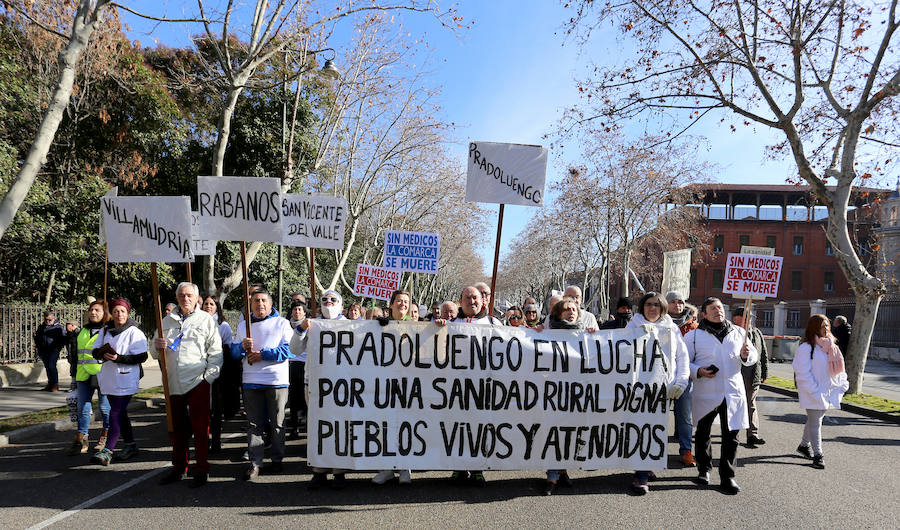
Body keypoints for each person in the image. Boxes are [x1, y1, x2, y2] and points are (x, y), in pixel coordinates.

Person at [685, 297, 757, 495]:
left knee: (731, 434)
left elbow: (751, 358)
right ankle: (704, 469)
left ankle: (728, 476)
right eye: (713, 308)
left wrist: (746, 355)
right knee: (703, 432)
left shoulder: (739, 332)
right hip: (707, 390)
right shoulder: (694, 337)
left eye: (720, 307)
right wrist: (698, 370)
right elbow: (683, 362)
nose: (719, 311)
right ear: (704, 314)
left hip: (732, 390)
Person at [154, 283, 223, 487]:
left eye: (189, 295)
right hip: (173, 382)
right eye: (182, 295)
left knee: (200, 428)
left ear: (196, 298)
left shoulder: (206, 320)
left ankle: (201, 469)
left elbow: (216, 352)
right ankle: (179, 467)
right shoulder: (165, 320)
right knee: (176, 428)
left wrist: (209, 377)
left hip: (197, 380)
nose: (185, 299)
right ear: (177, 298)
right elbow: (153, 349)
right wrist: (156, 346)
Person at [626, 292, 690, 494]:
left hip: (664, 388)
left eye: (656, 304)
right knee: (642, 428)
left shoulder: (672, 329)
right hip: (639, 389)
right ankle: (641, 474)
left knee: (657, 430)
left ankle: (648, 463)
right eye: (648, 304)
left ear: (662, 308)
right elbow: (617, 351)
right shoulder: (632, 326)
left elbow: (682, 357)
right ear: (642, 307)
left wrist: (681, 381)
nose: (652, 308)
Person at [231, 289, 293, 482]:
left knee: (277, 423)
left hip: (276, 381)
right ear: (250, 305)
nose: (260, 304)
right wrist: (241, 347)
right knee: (254, 424)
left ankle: (277, 459)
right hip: (251, 381)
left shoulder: (282, 323)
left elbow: (290, 349)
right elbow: (233, 353)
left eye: (263, 300)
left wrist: (263, 354)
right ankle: (255, 463)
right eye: (256, 301)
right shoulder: (243, 326)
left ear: (271, 303)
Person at [90, 298, 147, 466]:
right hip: (109, 378)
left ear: (127, 312)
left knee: (115, 413)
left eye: (122, 311)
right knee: (121, 414)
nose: (119, 314)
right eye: (115, 311)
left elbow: (142, 356)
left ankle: (108, 451)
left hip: (126, 377)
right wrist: (100, 353)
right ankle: (131, 445)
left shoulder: (134, 332)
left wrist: (118, 358)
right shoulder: (106, 329)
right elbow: (95, 350)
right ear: (111, 313)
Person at [304, 289, 350, 490]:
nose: (328, 302)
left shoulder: (351, 326)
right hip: (314, 384)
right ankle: (319, 471)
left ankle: (339, 472)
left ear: (341, 305)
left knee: (340, 426)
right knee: (318, 427)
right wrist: (301, 330)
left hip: (342, 385)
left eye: (333, 300)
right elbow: (295, 349)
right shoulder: (312, 324)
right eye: (325, 299)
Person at [539, 296, 583, 495]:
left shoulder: (584, 334)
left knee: (570, 432)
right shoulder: (547, 333)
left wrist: (594, 335)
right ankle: (552, 475)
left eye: (574, 309)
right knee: (553, 432)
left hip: (577, 392)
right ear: (558, 313)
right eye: (567, 309)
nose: (571, 312)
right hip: (553, 391)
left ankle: (562, 470)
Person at [372, 289, 417, 486]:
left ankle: (405, 467)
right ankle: (386, 468)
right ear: (390, 305)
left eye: (406, 301)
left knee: (405, 426)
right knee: (385, 426)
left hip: (408, 385)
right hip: (383, 384)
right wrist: (373, 326)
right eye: (398, 301)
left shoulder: (417, 326)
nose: (402, 304)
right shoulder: (378, 326)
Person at [793, 314, 849, 470]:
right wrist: (814, 391)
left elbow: (840, 370)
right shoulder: (806, 348)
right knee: (816, 422)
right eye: (822, 326)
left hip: (828, 391)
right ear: (814, 328)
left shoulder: (832, 346)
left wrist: (843, 384)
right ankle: (818, 455)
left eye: (827, 325)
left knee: (813, 420)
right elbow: (802, 372)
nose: (825, 329)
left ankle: (804, 445)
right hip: (813, 392)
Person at [67, 300, 111, 456]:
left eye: (97, 310)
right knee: (82, 409)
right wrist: (73, 376)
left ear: (104, 313)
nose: (93, 313)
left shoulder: (108, 330)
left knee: (105, 409)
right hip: (83, 374)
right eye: (91, 310)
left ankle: (105, 438)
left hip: (102, 374)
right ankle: (81, 439)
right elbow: (75, 354)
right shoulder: (82, 331)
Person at [201, 294, 238, 454]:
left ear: (217, 307)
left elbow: (228, 350)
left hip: (217, 371)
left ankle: (216, 440)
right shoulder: (197, 323)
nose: (208, 306)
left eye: (212, 304)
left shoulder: (223, 326)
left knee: (216, 408)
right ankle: (204, 439)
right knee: (203, 407)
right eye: (206, 304)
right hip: (198, 370)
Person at [665, 291, 696, 467]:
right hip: (662, 378)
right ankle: (655, 450)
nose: (678, 305)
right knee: (659, 416)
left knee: (685, 417)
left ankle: (686, 451)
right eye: (673, 302)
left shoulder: (694, 326)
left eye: (681, 302)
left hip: (686, 377)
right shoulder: (659, 323)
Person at [732, 307, 769, 448]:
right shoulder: (732, 333)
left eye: (751, 316)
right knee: (733, 404)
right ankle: (731, 432)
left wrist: (764, 373)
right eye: (746, 316)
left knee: (750, 403)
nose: (750, 319)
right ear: (736, 318)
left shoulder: (757, 332)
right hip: (736, 374)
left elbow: (763, 354)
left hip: (753, 375)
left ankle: (752, 434)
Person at [287, 300, 308, 440]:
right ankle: (294, 428)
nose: (297, 312)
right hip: (292, 365)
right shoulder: (286, 325)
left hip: (306, 366)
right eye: (295, 310)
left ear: (304, 313)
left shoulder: (311, 325)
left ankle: (307, 425)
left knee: (306, 399)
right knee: (293, 399)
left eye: (300, 310)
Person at [34, 311, 66, 391]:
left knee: (52, 366)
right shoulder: (41, 326)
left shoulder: (58, 327)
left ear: (54, 318)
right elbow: (37, 337)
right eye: (46, 320)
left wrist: (57, 348)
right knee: (48, 367)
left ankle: (55, 385)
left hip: (53, 350)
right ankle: (50, 384)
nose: (47, 321)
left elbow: (63, 339)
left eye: (49, 320)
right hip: (43, 350)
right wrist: (39, 347)